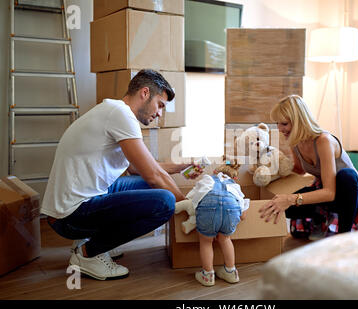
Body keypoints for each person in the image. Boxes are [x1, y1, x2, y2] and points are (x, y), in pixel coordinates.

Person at [41, 69, 199, 280]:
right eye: (160, 104)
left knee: (150, 185)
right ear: (144, 93)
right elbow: (153, 174)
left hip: (78, 203)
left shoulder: (114, 111)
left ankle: (92, 240)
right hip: (71, 215)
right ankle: (89, 253)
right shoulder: (121, 115)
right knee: (165, 202)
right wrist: (189, 206)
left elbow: (138, 168)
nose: (160, 113)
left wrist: (178, 167)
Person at [259, 95, 358, 238]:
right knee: (286, 209)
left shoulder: (323, 141)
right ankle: (323, 219)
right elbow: (299, 169)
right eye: (277, 123)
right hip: (324, 189)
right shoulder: (294, 140)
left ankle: (344, 236)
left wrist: (291, 198)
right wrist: (271, 166)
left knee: (346, 176)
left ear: (299, 121)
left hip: (348, 193)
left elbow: (330, 192)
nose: (279, 128)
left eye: (284, 124)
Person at [174, 162, 249, 286]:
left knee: (206, 241)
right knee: (225, 239)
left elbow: (192, 198)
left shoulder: (208, 179)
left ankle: (208, 275)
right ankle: (231, 271)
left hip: (208, 208)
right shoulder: (235, 187)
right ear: (235, 178)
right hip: (231, 209)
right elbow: (243, 215)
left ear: (214, 172)